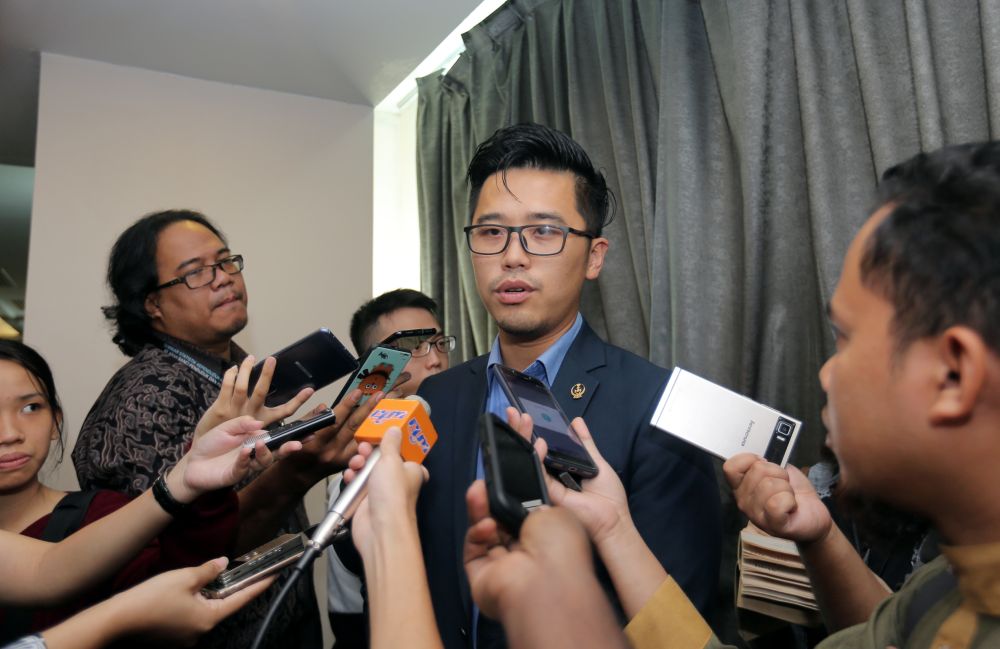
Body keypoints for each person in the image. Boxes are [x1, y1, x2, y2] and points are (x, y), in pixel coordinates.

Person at [468, 141, 1000, 648]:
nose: (826, 374)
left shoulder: (652, 406)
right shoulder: (941, 590)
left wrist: (540, 592)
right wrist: (611, 527)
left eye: (847, 339)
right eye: (492, 232)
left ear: (955, 374)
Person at [415, 123, 721, 647]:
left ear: (595, 256)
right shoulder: (434, 401)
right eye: (491, 232)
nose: (513, 256)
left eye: (543, 231)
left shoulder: (659, 408)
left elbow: (684, 615)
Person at [70, 210, 377, 648]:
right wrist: (299, 471)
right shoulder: (147, 396)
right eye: (194, 273)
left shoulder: (236, 374)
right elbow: (171, 564)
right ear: (152, 304)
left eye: (226, 261)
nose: (222, 278)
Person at [328, 288, 456, 647]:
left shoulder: (460, 421)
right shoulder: (356, 451)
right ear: (377, 362)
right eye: (415, 347)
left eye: (439, 343)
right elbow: (348, 589)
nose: (434, 360)